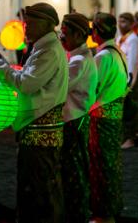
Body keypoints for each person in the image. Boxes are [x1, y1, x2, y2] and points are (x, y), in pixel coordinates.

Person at [0, 3, 68, 223]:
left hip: (40, 131)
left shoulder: (49, 51)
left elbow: (26, 84)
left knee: (39, 190)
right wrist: (0, 61)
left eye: (29, 24)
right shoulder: (43, 48)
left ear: (46, 25)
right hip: (35, 128)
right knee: (34, 188)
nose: (25, 28)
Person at [89, 12, 128, 223]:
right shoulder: (117, 52)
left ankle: (103, 214)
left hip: (102, 119)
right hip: (113, 118)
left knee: (101, 165)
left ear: (97, 31)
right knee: (110, 164)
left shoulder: (103, 57)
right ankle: (110, 209)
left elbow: (92, 91)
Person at [59, 12, 98, 223]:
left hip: (74, 121)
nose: (61, 37)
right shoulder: (77, 57)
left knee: (73, 173)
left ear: (77, 34)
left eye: (64, 33)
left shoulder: (79, 61)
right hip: (74, 120)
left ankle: (77, 215)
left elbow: (59, 88)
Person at [117, 12, 138, 149]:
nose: (121, 25)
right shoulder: (120, 38)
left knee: (129, 110)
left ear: (132, 24)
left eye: (124, 22)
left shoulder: (133, 39)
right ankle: (123, 137)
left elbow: (133, 62)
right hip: (120, 78)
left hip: (128, 80)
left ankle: (130, 138)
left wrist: (129, 83)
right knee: (122, 110)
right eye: (119, 21)